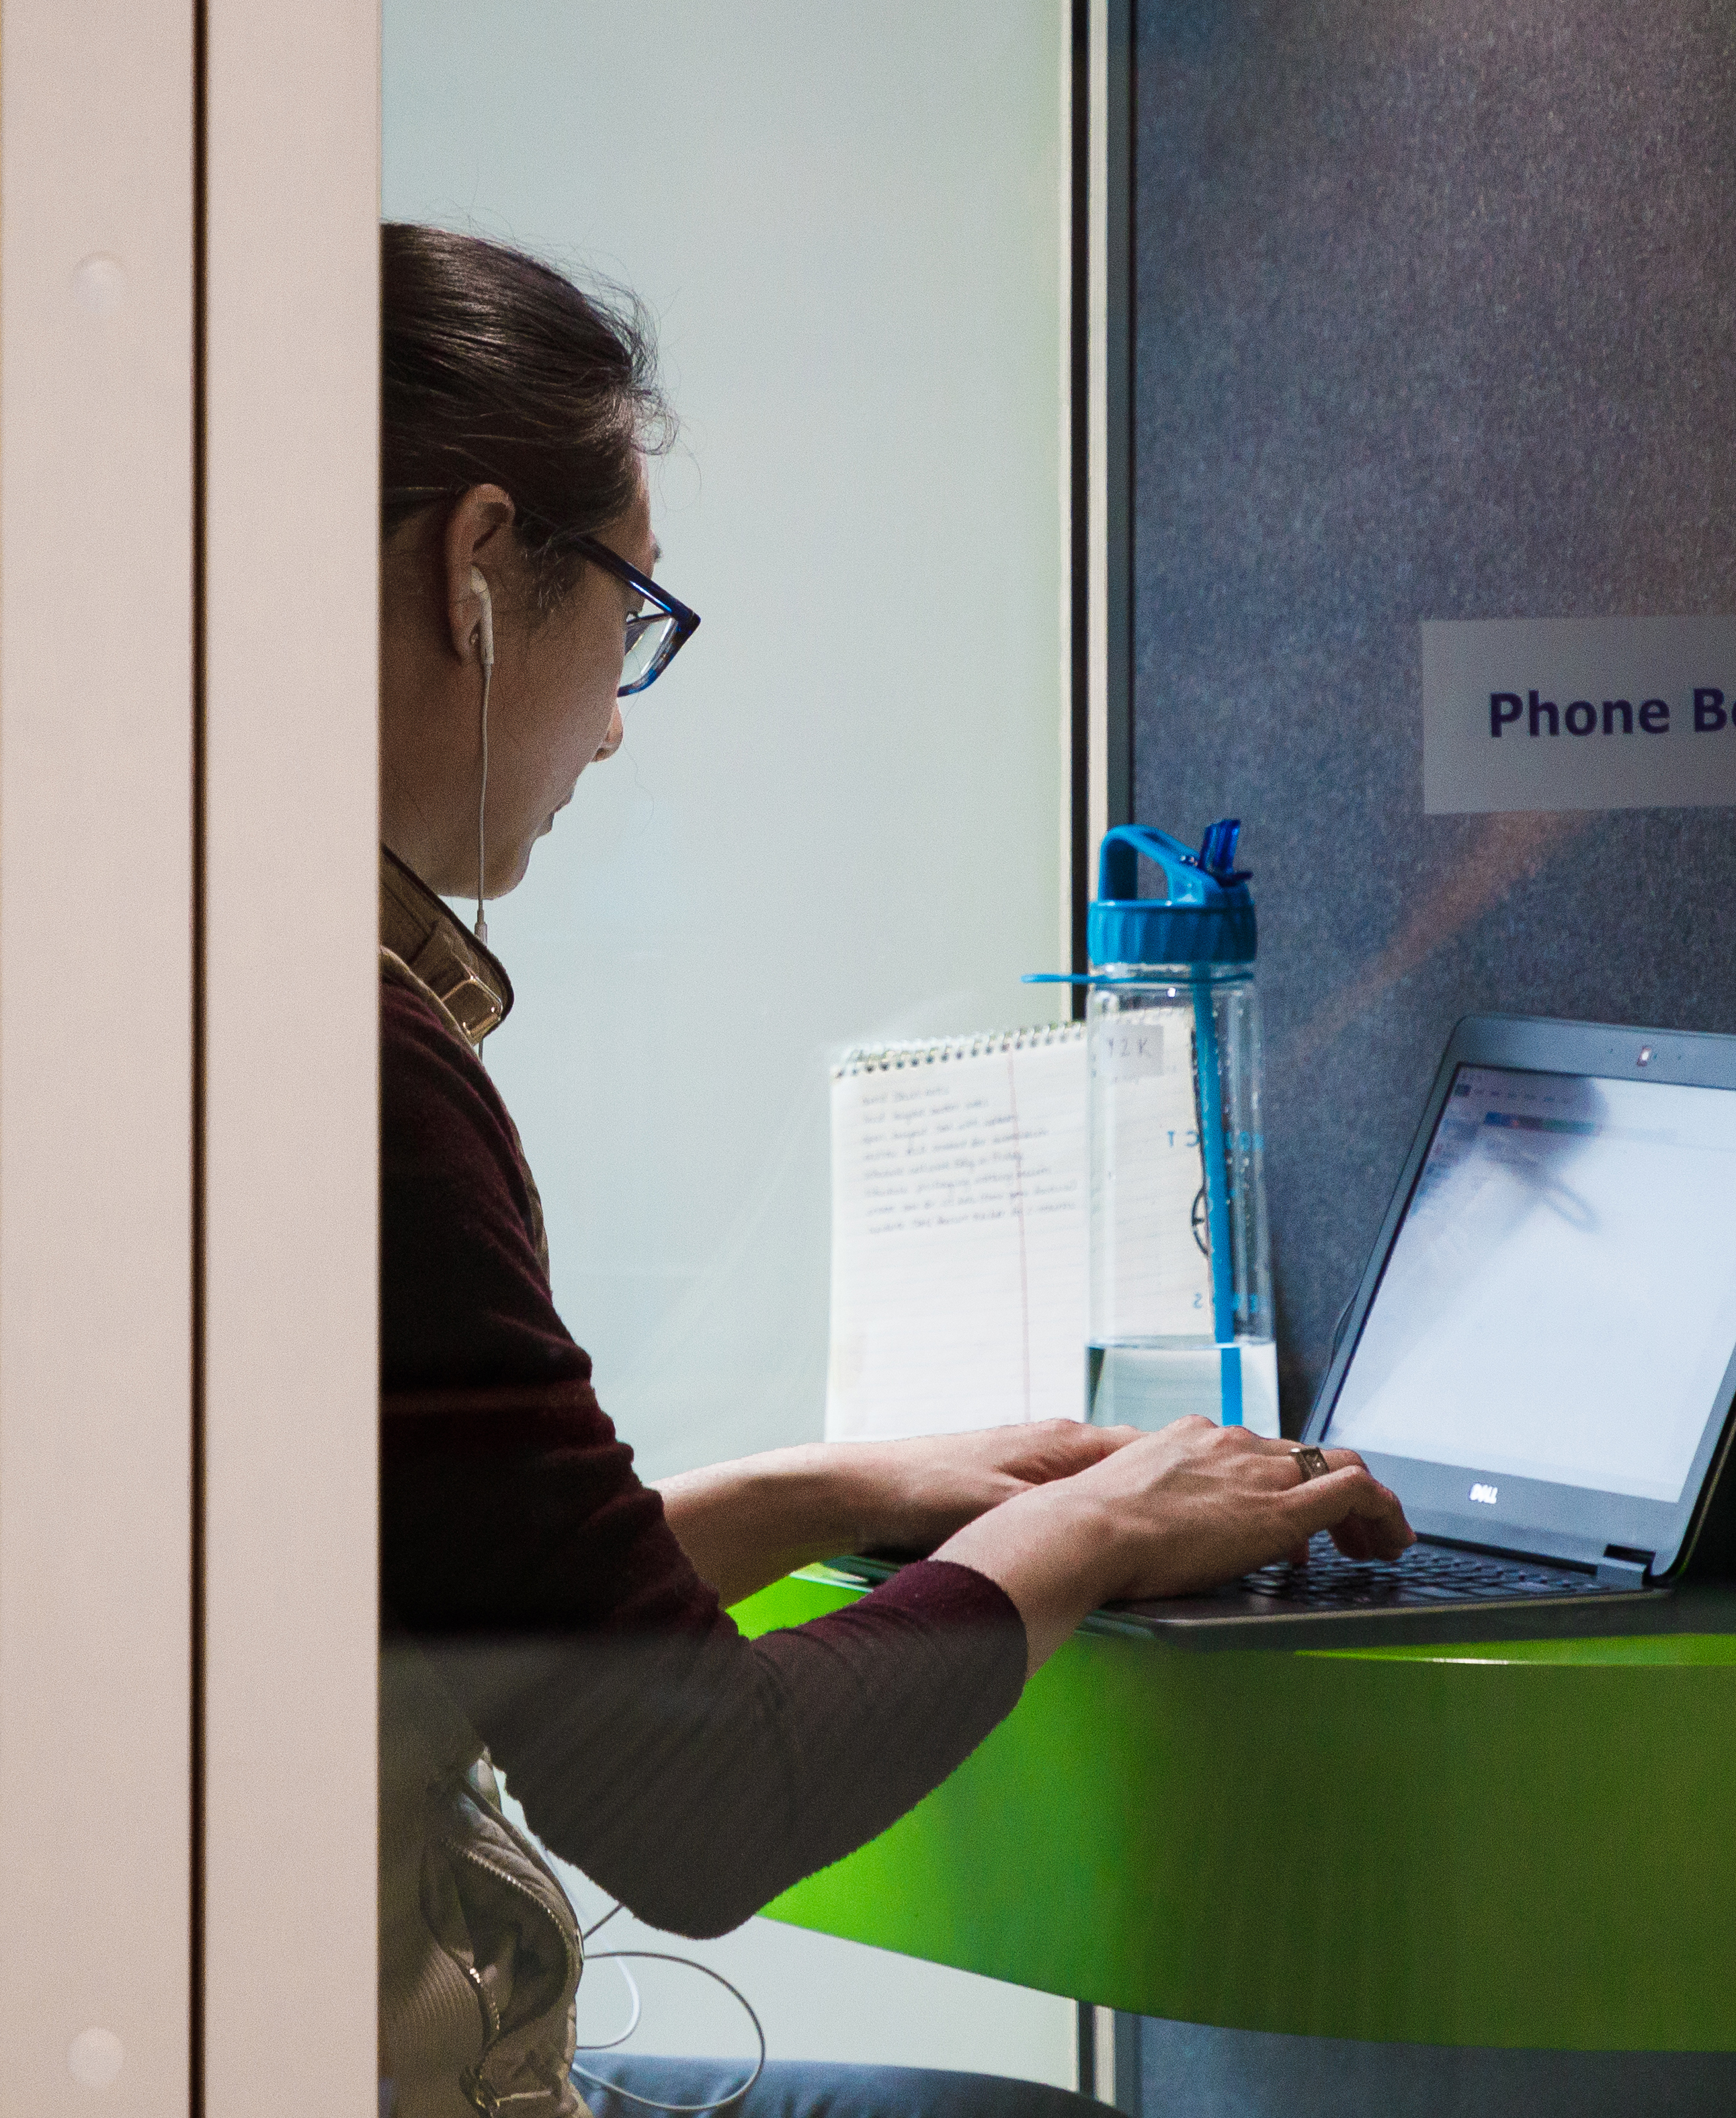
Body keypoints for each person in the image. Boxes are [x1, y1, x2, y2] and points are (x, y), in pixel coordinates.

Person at [376, 224, 1410, 2118]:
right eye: (628, 609)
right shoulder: (351, 1076)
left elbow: (435, 1598)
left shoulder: (199, 1000)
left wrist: (829, 1486)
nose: (612, 714)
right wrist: (1082, 1531)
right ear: (472, 571)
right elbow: (700, 1800)